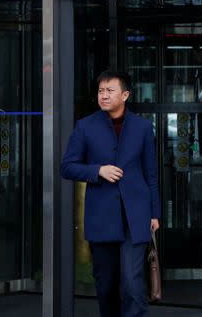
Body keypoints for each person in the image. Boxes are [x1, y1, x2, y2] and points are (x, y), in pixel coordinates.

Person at [61, 70, 161, 317]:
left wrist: (155, 213)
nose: (103, 96)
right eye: (100, 91)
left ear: (125, 95)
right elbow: (67, 167)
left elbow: (151, 175)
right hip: (102, 218)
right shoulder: (85, 126)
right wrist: (98, 171)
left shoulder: (142, 127)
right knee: (106, 287)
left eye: (109, 91)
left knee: (132, 284)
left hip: (135, 217)